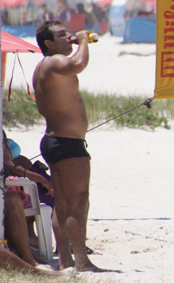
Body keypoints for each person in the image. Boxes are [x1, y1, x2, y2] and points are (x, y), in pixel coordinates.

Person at [32, 20, 108, 272]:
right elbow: (79, 63)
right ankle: (82, 261)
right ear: (49, 44)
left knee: (63, 203)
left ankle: (65, 259)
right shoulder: (54, 61)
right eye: (61, 35)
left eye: (68, 33)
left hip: (55, 141)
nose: (68, 37)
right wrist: (84, 41)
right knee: (78, 201)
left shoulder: (43, 67)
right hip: (66, 143)